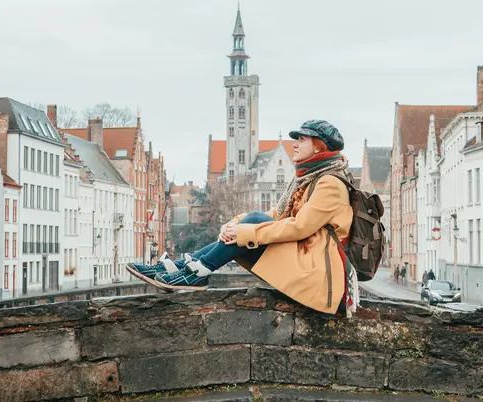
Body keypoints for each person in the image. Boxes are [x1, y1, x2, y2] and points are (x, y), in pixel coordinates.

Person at [127, 120, 354, 314]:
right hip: (304, 257)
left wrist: (246, 231)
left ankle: (193, 272)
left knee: (253, 224)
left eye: (302, 139)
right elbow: (276, 214)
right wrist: (235, 224)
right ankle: (184, 268)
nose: (294, 144)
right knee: (252, 220)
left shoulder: (330, 182)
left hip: (319, 272)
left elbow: (300, 228)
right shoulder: (309, 176)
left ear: (317, 147)